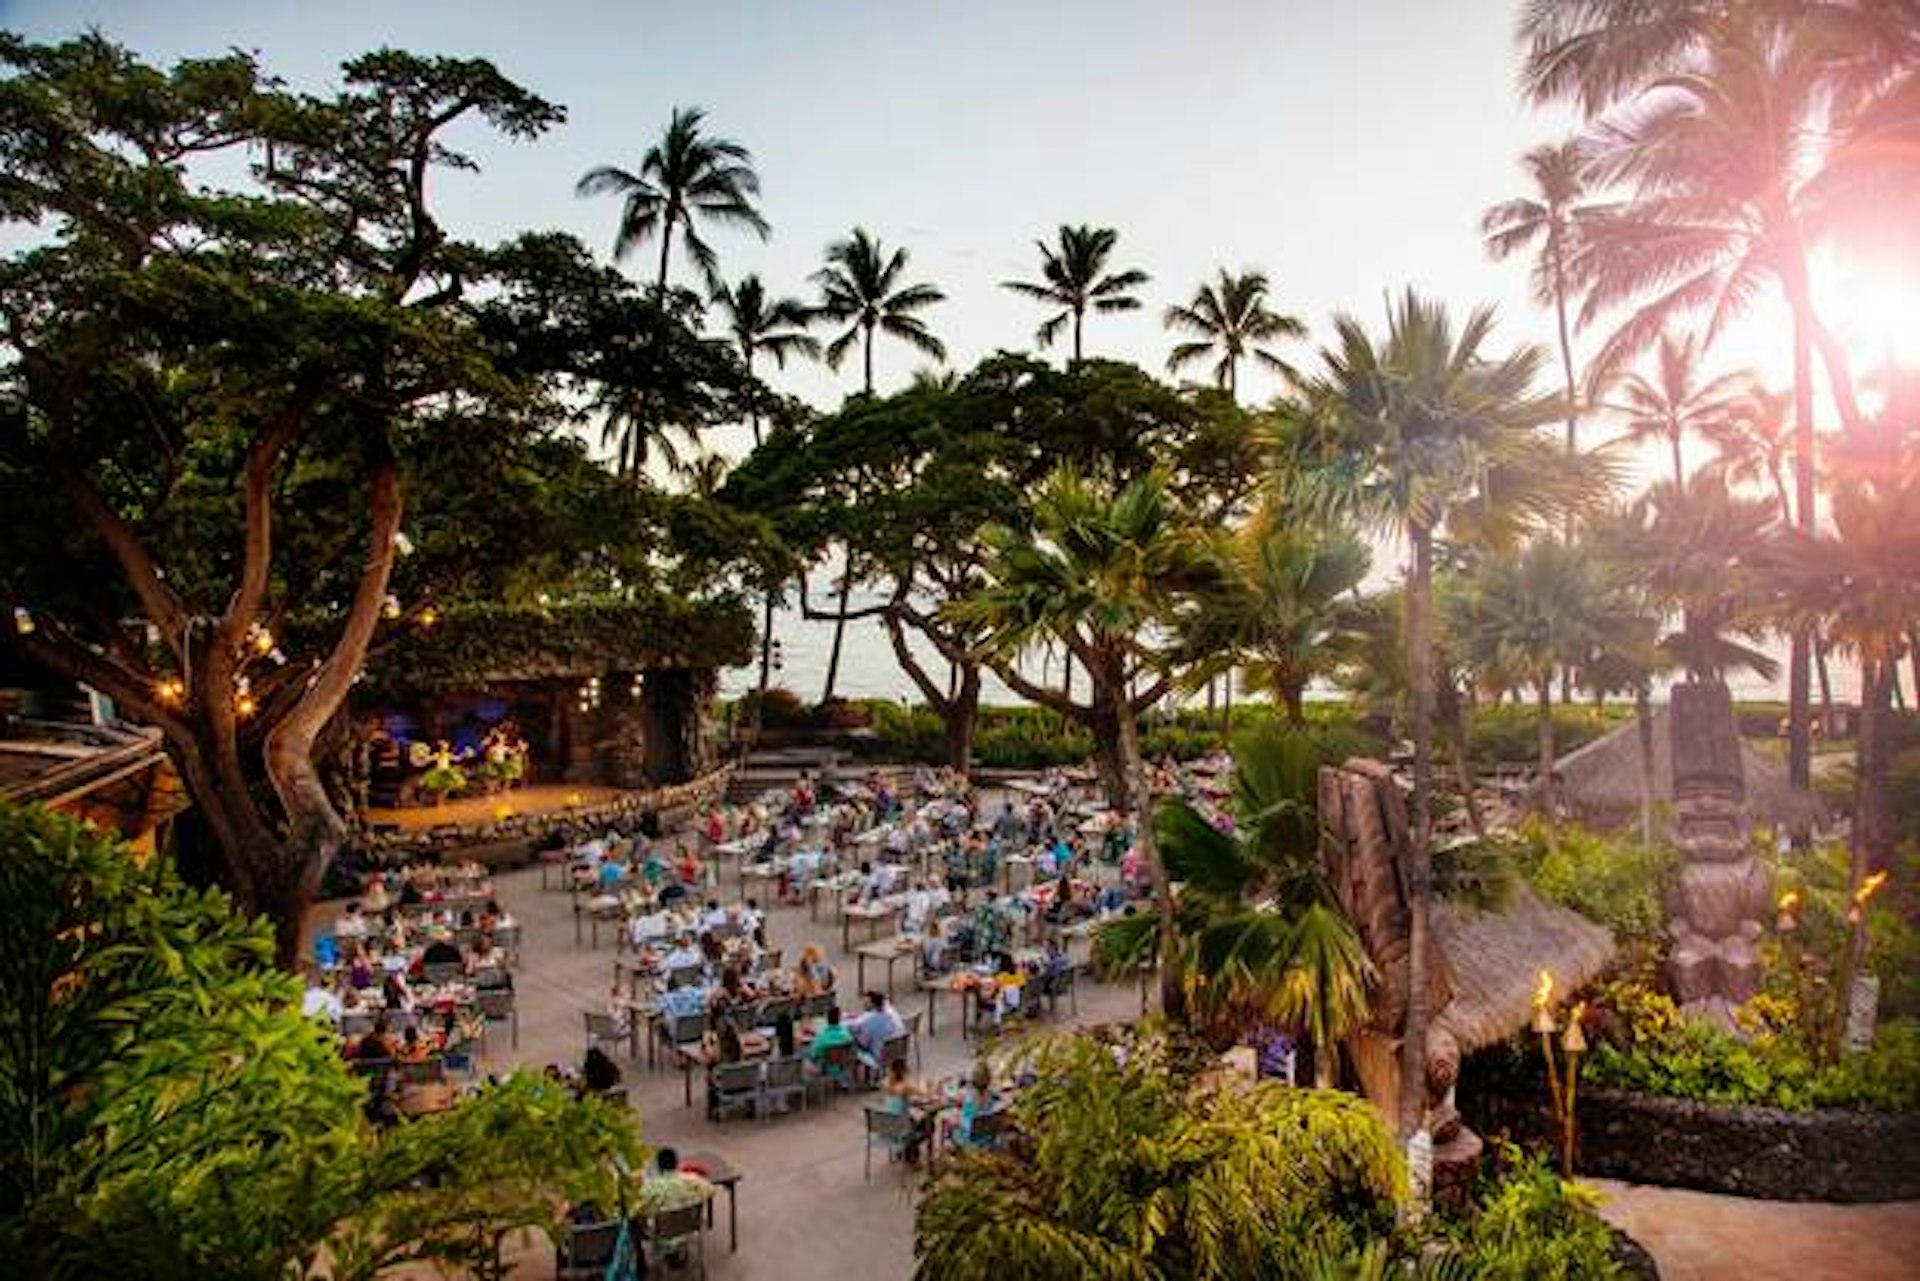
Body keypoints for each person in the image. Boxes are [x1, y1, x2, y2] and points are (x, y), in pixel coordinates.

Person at [850, 989, 906, 1068]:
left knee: (856, 1047)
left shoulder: (870, 1020)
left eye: (866, 1002)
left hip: (880, 1056)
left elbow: (863, 1043)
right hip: (897, 1050)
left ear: (872, 1004)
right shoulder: (889, 1016)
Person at [806, 1005, 856, 1083]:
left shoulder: (821, 1037)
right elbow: (851, 1046)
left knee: (806, 1058)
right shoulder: (846, 1034)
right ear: (839, 1019)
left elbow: (814, 1054)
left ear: (827, 1019)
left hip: (825, 1067)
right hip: (843, 1065)